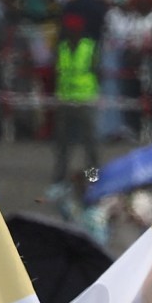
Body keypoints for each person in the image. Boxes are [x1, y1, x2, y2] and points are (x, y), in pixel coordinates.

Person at [52, 14, 101, 184]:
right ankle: (60, 176)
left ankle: (92, 176)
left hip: (85, 99)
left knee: (90, 143)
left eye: (73, 29)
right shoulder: (62, 48)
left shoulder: (89, 47)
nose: (71, 32)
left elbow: (97, 70)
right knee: (63, 143)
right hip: (65, 99)